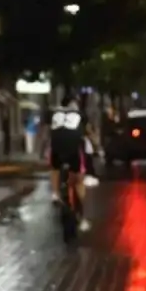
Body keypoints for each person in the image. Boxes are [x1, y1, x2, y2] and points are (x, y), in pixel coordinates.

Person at [49, 97, 89, 231]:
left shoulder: (55, 113)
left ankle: (54, 193)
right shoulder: (80, 115)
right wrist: (98, 147)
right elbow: (89, 132)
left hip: (56, 148)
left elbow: (48, 132)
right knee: (79, 180)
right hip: (73, 151)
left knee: (54, 168)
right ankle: (82, 217)